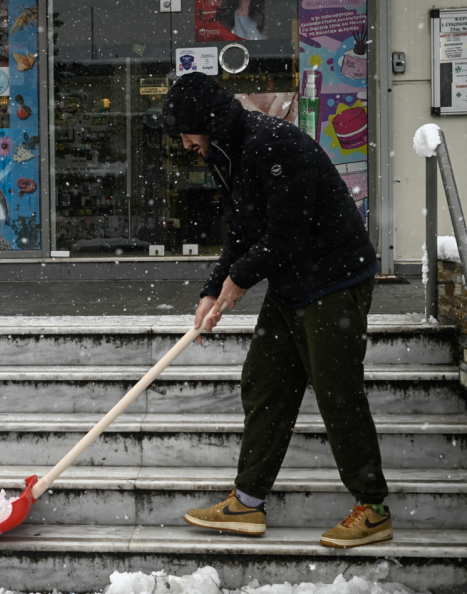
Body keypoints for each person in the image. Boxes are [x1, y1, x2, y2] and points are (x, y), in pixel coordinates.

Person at [162, 72, 391, 549]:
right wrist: (212, 290)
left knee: (337, 393)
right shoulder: (226, 154)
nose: (184, 143)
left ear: (207, 121)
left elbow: (288, 231)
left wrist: (239, 281)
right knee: (264, 383)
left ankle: (372, 509)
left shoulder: (274, 143)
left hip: (334, 279)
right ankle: (247, 503)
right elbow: (242, 233)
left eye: (186, 131)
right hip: (292, 284)